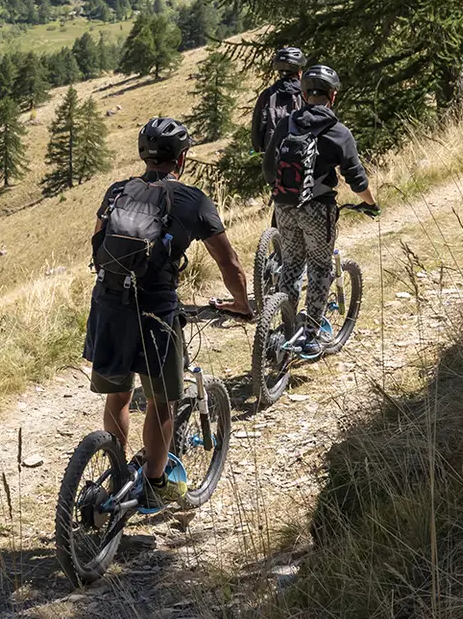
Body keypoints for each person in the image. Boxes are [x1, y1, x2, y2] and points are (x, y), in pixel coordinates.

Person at [83, 118, 250, 505]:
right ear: (182, 158)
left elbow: (98, 241)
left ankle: (117, 472)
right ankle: (155, 486)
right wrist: (242, 304)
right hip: (156, 311)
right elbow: (230, 264)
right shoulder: (193, 201)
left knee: (118, 397)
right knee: (161, 402)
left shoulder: (117, 191)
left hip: (108, 303)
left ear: (144, 155)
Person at [264, 65, 377, 347]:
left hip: (285, 206)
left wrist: (283, 191)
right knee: (318, 267)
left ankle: (286, 329)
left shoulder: (286, 125)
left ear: (303, 94)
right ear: (333, 95)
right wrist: (373, 204)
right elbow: (356, 179)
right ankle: (313, 335)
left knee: (290, 266)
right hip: (318, 209)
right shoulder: (338, 132)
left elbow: (269, 166)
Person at [249, 46, 306, 155]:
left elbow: (256, 135)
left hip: (273, 162)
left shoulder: (267, 96)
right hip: (302, 161)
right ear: (299, 72)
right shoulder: (306, 95)